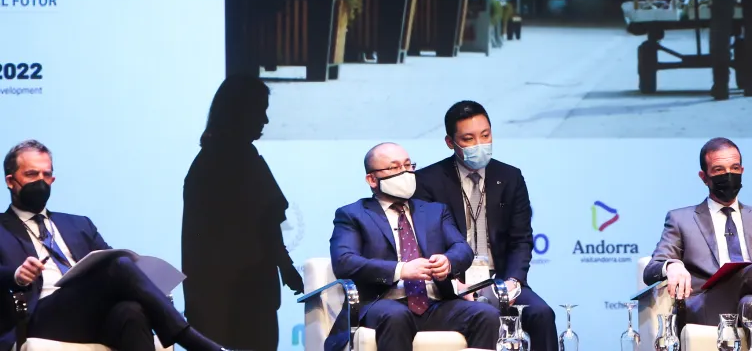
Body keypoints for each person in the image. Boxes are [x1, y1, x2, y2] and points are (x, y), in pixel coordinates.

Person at [0, 140, 234, 351]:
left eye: (46, 175)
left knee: (131, 313)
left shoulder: (78, 224)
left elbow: (109, 266)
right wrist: (17, 276)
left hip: (89, 313)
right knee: (119, 267)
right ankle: (196, 343)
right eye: (32, 174)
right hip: (38, 315)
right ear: (11, 181)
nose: (41, 182)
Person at [643, 138, 752, 351]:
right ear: (704, 177)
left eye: (734, 168)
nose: (729, 175)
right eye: (719, 170)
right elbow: (652, 268)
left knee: (751, 303)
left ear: (742, 170)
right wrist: (671, 265)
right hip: (707, 306)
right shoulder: (681, 219)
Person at [327, 142, 499, 351]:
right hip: (383, 304)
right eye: (395, 168)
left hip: (434, 303)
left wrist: (448, 262)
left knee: (486, 315)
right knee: (396, 315)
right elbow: (344, 262)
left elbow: (462, 249)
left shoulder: (435, 211)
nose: (405, 173)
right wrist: (401, 270)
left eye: (408, 166)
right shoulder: (353, 215)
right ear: (372, 179)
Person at [414, 100, 556, 351]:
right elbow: (424, 243)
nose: (480, 144)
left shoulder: (510, 177)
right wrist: (452, 284)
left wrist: (514, 280)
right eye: (468, 138)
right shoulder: (427, 181)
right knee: (481, 318)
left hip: (500, 279)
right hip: (454, 283)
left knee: (542, 314)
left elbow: (521, 239)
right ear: (451, 143)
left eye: (486, 135)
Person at [182, 75, 304, 351]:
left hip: (219, 296)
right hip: (239, 295)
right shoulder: (236, 161)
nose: (265, 120)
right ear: (239, 112)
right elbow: (266, 223)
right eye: (260, 110)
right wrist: (285, 266)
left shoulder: (210, 159)